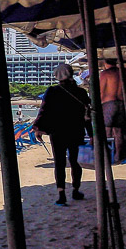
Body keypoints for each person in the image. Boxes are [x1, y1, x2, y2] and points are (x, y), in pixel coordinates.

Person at [32, 64, 91, 207]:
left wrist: (38, 129)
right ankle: (76, 190)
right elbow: (88, 115)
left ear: (56, 76)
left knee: (59, 162)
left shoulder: (52, 91)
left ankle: (61, 195)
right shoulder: (81, 92)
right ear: (71, 74)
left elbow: (43, 111)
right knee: (74, 161)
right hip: (76, 130)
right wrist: (92, 134)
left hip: (57, 132)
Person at [99, 58, 126, 162]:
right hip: (121, 102)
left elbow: (101, 90)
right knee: (118, 132)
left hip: (108, 102)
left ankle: (106, 155)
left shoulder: (105, 74)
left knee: (106, 130)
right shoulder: (122, 72)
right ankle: (118, 155)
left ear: (105, 64)